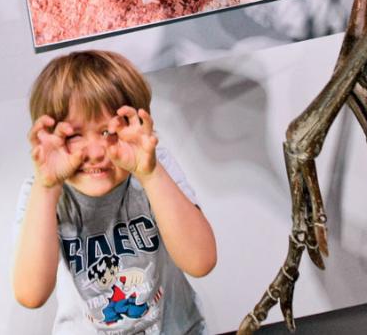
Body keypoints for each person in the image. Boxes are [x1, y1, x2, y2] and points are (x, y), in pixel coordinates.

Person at [13, 50, 216, 334]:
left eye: (109, 132)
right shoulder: (40, 192)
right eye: (74, 135)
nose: (96, 153)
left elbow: (201, 262)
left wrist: (150, 174)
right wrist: (47, 189)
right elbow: (30, 294)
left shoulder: (154, 168)